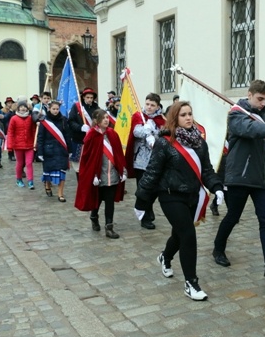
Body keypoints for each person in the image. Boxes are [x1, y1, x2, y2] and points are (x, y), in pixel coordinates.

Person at [136, 100, 224, 300]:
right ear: (174, 118)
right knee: (188, 235)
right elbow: (152, 172)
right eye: (183, 114)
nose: (188, 118)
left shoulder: (199, 142)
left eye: (190, 114)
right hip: (169, 195)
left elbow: (207, 170)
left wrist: (217, 187)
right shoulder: (164, 142)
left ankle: (165, 257)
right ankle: (191, 283)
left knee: (179, 234)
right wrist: (141, 201)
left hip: (192, 195)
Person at [211, 80, 265, 281]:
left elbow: (264, 143)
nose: (263, 103)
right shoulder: (236, 114)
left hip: (262, 178)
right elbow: (249, 129)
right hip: (240, 177)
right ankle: (218, 249)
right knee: (233, 216)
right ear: (249, 94)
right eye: (260, 98)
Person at [74, 109, 127, 239]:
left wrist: (123, 171)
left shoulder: (113, 134)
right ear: (96, 121)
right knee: (97, 200)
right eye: (103, 118)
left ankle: (109, 227)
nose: (106, 120)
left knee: (109, 202)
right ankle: (94, 216)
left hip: (112, 175)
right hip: (98, 176)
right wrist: (92, 175)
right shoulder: (91, 135)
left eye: (107, 117)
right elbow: (87, 158)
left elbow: (119, 154)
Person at [125, 93, 166, 229]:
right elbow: (136, 132)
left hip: (156, 160)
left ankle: (148, 208)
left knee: (155, 188)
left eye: (152, 105)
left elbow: (165, 133)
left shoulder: (161, 119)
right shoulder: (139, 116)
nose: (149, 107)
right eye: (147, 104)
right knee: (143, 188)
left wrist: (155, 134)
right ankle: (145, 217)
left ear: (157, 106)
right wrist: (146, 130)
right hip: (141, 160)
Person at [37, 101, 71, 202]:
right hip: (49, 150)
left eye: (57, 109)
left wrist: (70, 149)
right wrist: (40, 152)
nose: (56, 111)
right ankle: (47, 185)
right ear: (49, 109)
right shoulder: (44, 121)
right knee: (48, 172)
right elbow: (40, 138)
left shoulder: (64, 120)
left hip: (61, 150)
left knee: (62, 172)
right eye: (53, 109)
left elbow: (67, 136)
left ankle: (60, 194)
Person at [6, 100, 38, 189]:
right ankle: (19, 179)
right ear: (18, 108)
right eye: (21, 107)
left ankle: (30, 181)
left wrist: (36, 142)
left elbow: (33, 131)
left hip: (29, 145)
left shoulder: (30, 118)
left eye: (24, 107)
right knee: (20, 163)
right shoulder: (14, 118)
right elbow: (10, 132)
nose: (23, 108)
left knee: (29, 163)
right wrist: (10, 145)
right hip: (18, 145)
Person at [68, 88, 101, 176]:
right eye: (88, 97)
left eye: (91, 97)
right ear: (83, 97)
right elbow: (71, 121)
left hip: (92, 140)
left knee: (91, 164)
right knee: (79, 167)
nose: (90, 99)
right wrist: (80, 127)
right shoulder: (77, 107)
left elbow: (101, 120)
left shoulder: (96, 108)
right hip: (79, 140)